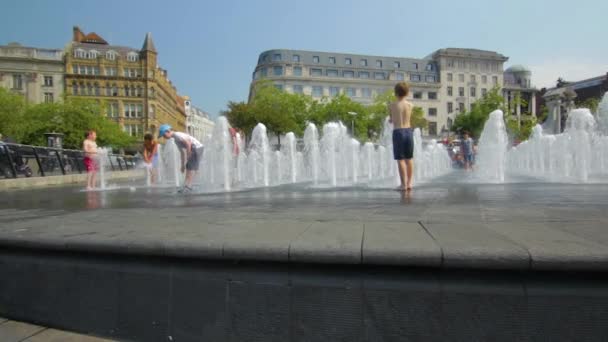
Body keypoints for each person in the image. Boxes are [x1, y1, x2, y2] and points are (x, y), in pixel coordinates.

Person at [158, 124, 204, 193]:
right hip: (196, 148)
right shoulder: (176, 140)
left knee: (190, 167)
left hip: (196, 147)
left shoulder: (177, 135)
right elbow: (182, 153)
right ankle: (187, 185)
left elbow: (188, 142)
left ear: (167, 131)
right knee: (190, 166)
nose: (164, 137)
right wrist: (182, 165)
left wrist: (188, 154)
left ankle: (187, 186)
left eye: (164, 135)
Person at [388, 82, 414, 191]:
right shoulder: (410, 105)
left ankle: (403, 185)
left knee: (401, 160)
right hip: (409, 131)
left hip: (398, 132)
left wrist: (391, 119)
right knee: (409, 159)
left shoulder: (391, 105)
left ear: (395, 92)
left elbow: (391, 120)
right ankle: (409, 183)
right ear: (407, 92)